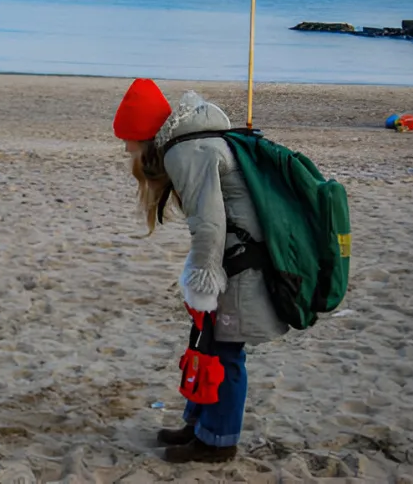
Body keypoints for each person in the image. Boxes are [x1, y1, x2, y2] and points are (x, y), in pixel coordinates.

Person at [112, 78, 288, 463]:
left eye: (128, 139)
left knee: (225, 351)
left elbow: (209, 225)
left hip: (242, 263)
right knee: (207, 343)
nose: (126, 148)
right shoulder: (191, 142)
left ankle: (218, 443)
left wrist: (203, 283)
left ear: (144, 135)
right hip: (235, 257)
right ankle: (198, 426)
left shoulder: (185, 153)